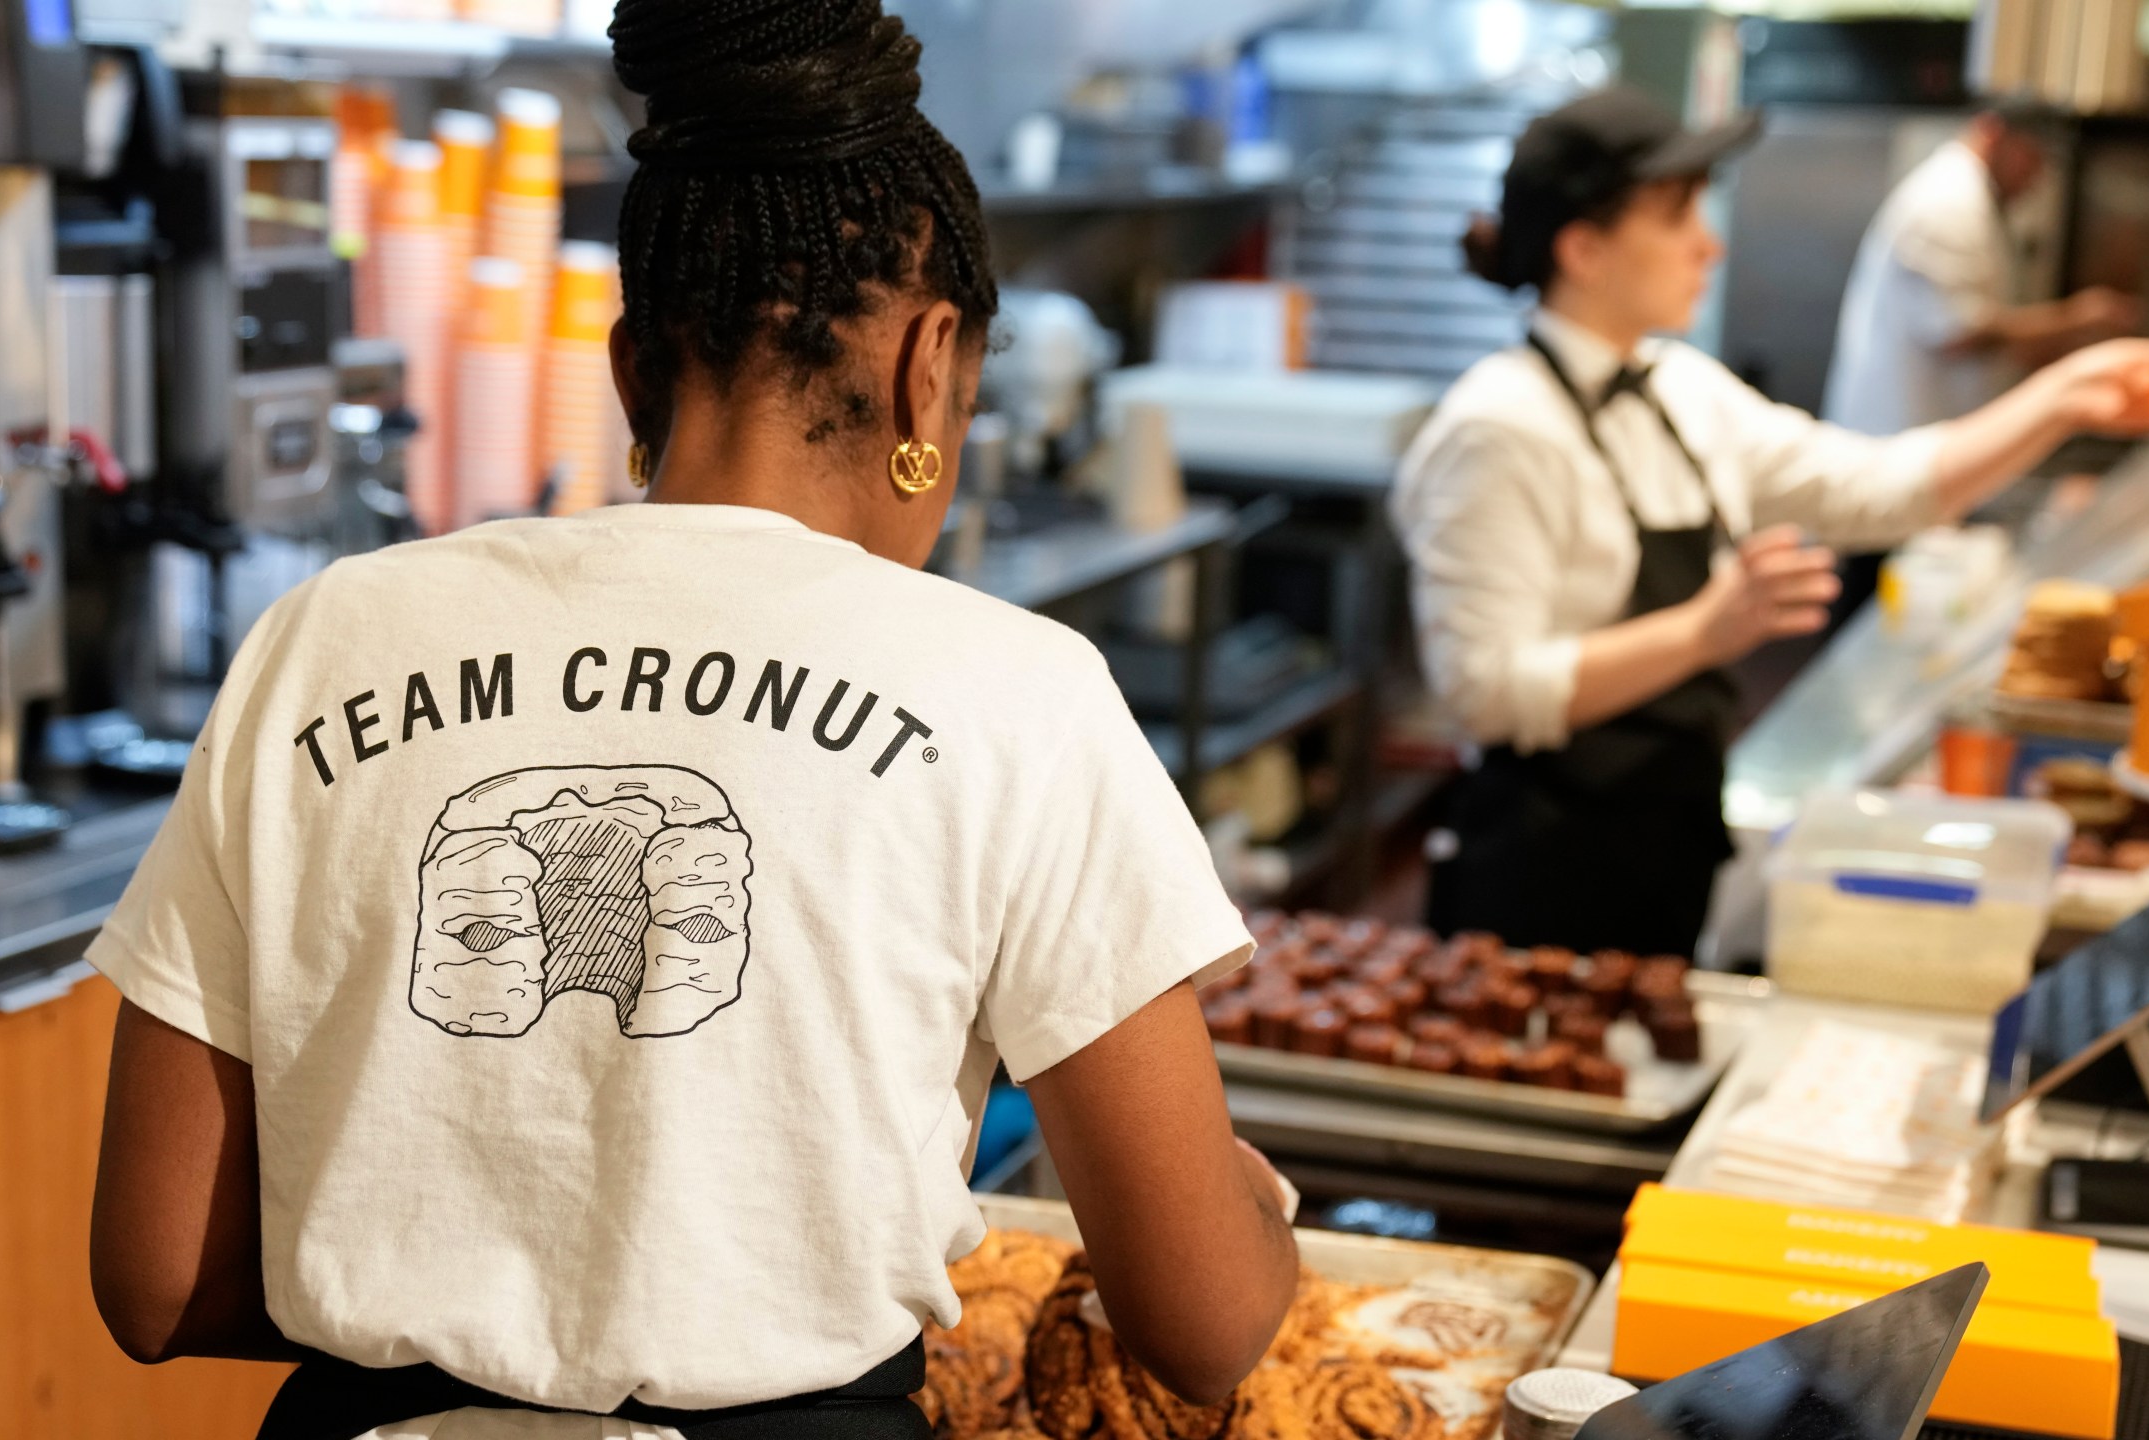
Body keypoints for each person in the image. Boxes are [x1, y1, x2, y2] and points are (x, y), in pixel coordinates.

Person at [84, 4, 1301, 1437]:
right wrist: (1258, 1214)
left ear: (626, 371)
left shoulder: (327, 636)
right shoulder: (1013, 686)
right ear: (931, 366)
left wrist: (456, 1314)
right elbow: (1206, 1326)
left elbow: (158, 1280)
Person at [1397, 86, 2149, 959]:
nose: (1709, 242)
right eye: (1679, 214)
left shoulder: (1684, 389)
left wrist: (2064, 397)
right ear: (1584, 249)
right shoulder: (1498, 430)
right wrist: (1704, 630)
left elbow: (1882, 489)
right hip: (1537, 872)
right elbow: (1489, 692)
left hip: (1667, 838)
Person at [1824, 98, 2143, 437]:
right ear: (1993, 133)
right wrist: (2075, 320)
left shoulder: (1973, 199)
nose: (2034, 178)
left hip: (1930, 435)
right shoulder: (1947, 203)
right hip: (1899, 434)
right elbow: (1961, 335)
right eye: (2031, 158)